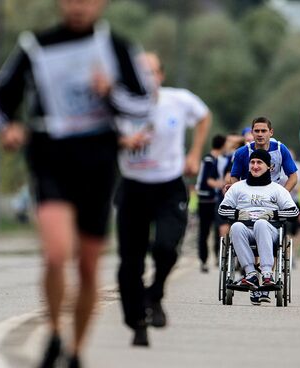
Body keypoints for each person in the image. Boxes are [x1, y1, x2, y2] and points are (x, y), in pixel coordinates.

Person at [0, 0, 155, 366]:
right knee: (55, 251)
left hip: (97, 161)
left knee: (87, 267)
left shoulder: (117, 47)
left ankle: (76, 350)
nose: (79, 6)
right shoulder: (36, 45)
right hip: (51, 157)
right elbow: (1, 98)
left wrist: (110, 91)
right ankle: (52, 332)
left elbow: (144, 105)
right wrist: (7, 128)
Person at [116, 52, 211, 347]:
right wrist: (124, 141)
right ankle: (137, 321)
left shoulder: (179, 100)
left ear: (161, 76)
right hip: (133, 187)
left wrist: (195, 153)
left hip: (169, 186)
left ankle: (155, 294)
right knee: (130, 262)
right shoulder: (118, 104)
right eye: (139, 72)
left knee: (166, 248)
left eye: (152, 72)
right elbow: (98, 131)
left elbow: (204, 116)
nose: (146, 78)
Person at [226, 116, 298, 304]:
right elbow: (234, 178)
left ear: (270, 132)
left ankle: (265, 278)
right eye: (256, 131)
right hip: (248, 199)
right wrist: (239, 195)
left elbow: (293, 176)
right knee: (246, 227)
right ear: (251, 133)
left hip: (271, 199)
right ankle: (252, 278)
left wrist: (281, 195)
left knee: (263, 227)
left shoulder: (280, 150)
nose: (259, 134)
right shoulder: (243, 152)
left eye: (263, 131)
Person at [195, 134, 226, 273]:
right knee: (205, 230)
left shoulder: (215, 159)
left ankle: (216, 256)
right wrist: (221, 185)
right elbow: (207, 180)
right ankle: (204, 259)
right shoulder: (209, 159)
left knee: (216, 229)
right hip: (206, 198)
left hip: (212, 198)